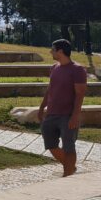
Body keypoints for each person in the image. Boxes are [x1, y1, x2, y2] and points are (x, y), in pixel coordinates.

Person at [37, 39, 88, 177]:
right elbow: (50, 89)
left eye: (52, 49)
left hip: (68, 115)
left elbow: (80, 94)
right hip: (52, 114)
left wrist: (75, 116)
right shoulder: (54, 68)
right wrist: (42, 108)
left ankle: (67, 175)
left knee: (69, 147)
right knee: (50, 145)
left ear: (60, 51)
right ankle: (71, 167)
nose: (50, 52)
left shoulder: (77, 70)